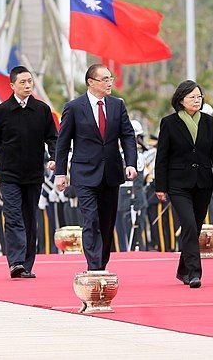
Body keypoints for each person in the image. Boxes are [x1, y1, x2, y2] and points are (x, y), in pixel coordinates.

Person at [54, 64, 137, 271]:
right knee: (90, 219)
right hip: (84, 173)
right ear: (91, 82)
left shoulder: (117, 105)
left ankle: (102, 262)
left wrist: (131, 163)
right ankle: (94, 267)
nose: (110, 83)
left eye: (110, 78)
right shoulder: (74, 107)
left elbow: (127, 136)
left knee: (107, 223)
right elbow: (63, 142)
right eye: (105, 79)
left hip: (111, 172)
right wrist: (60, 173)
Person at [0, 66, 58, 278]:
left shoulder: (42, 110)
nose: (27, 86)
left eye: (30, 81)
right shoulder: (2, 111)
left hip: (33, 175)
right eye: (22, 82)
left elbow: (53, 138)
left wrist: (54, 158)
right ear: (12, 85)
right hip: (9, 175)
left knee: (30, 218)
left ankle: (27, 264)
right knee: (13, 216)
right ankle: (16, 263)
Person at [154, 80, 213, 288]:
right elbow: (162, 157)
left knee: (194, 228)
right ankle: (195, 273)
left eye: (199, 96)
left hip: (203, 182)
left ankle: (183, 270)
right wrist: (160, 186)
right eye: (192, 97)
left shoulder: (208, 121)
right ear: (180, 100)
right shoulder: (169, 122)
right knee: (187, 224)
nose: (197, 100)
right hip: (178, 184)